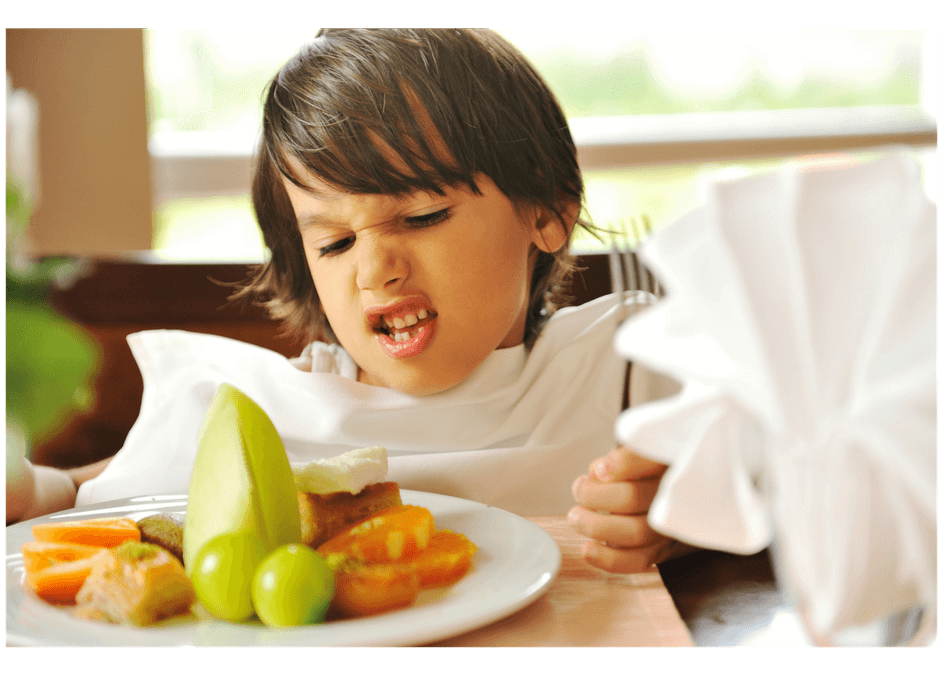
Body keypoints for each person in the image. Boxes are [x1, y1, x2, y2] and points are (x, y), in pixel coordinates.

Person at [7, 29, 693, 573]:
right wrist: (43, 489)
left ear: (545, 210)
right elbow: (123, 485)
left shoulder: (621, 367)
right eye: (334, 243)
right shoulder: (275, 407)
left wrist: (682, 524)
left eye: (421, 217)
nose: (375, 271)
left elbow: (770, 477)